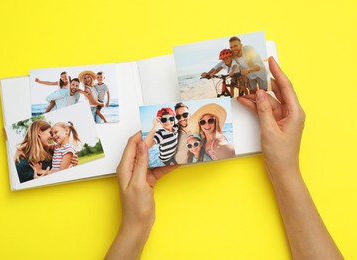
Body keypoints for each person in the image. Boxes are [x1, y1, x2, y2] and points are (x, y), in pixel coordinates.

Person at [105, 57, 343, 259]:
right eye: (202, 121)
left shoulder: (216, 142)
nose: (205, 124)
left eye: (209, 120)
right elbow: (214, 71)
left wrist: (134, 229)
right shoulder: (180, 134)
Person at [14, 119, 78, 183]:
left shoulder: (54, 152)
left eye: (55, 133)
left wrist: (73, 164)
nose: (52, 137)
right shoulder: (19, 167)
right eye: (50, 133)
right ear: (39, 132)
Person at [203, 36, 268, 94]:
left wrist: (248, 70)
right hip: (249, 76)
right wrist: (208, 73)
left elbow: (259, 65)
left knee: (263, 93)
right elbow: (221, 64)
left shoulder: (249, 49)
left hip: (260, 74)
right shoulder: (233, 54)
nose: (233, 49)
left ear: (241, 45)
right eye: (231, 47)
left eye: (235, 46)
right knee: (252, 93)